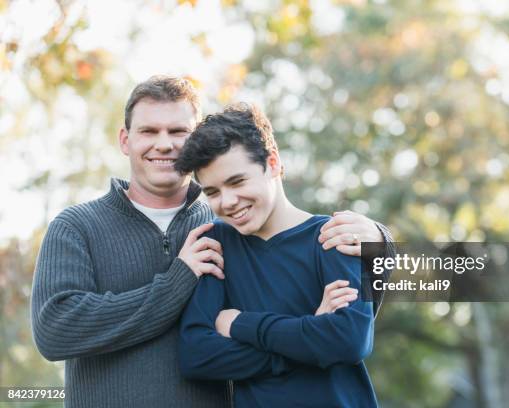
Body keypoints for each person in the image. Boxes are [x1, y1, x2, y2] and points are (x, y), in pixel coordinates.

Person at [31, 76, 392, 408]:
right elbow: (55, 332)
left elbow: (352, 331)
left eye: (178, 131)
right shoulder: (78, 226)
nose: (164, 144)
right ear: (126, 140)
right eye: (149, 131)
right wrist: (178, 281)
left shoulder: (231, 226)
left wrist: (381, 242)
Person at [177, 103, 378, 407]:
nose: (228, 201)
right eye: (213, 192)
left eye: (237, 181)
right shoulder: (215, 245)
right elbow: (197, 356)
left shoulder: (333, 236)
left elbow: (349, 340)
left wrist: (240, 324)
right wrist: (308, 332)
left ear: (272, 163)